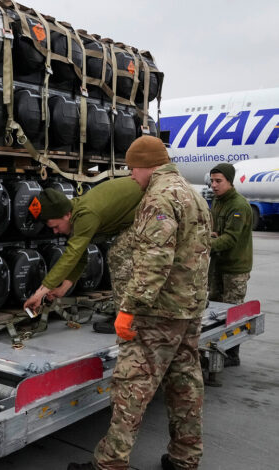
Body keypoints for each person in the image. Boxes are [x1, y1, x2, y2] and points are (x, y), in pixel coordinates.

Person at [68, 136, 212, 470]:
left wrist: (129, 307)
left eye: (132, 169)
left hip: (157, 312)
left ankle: (110, 463)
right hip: (189, 308)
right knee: (185, 383)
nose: (131, 176)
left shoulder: (159, 197)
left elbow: (154, 259)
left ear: (145, 165)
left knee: (132, 387)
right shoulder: (193, 194)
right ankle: (185, 458)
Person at [23, 177, 144, 333]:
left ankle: (128, 319)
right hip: (138, 213)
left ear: (66, 215)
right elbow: (80, 256)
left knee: (119, 255)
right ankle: (128, 313)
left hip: (151, 207)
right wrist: (62, 289)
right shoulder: (76, 214)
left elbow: (72, 255)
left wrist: (40, 293)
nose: (55, 231)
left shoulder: (85, 214)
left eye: (56, 226)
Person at [208, 163, 253, 368]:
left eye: (219, 181)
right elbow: (217, 231)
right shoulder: (218, 201)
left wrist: (204, 245)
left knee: (232, 313)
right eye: (212, 181)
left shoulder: (238, 205)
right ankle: (216, 349)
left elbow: (230, 239)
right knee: (214, 311)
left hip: (235, 268)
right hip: (218, 265)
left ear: (229, 181)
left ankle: (232, 354)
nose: (214, 185)